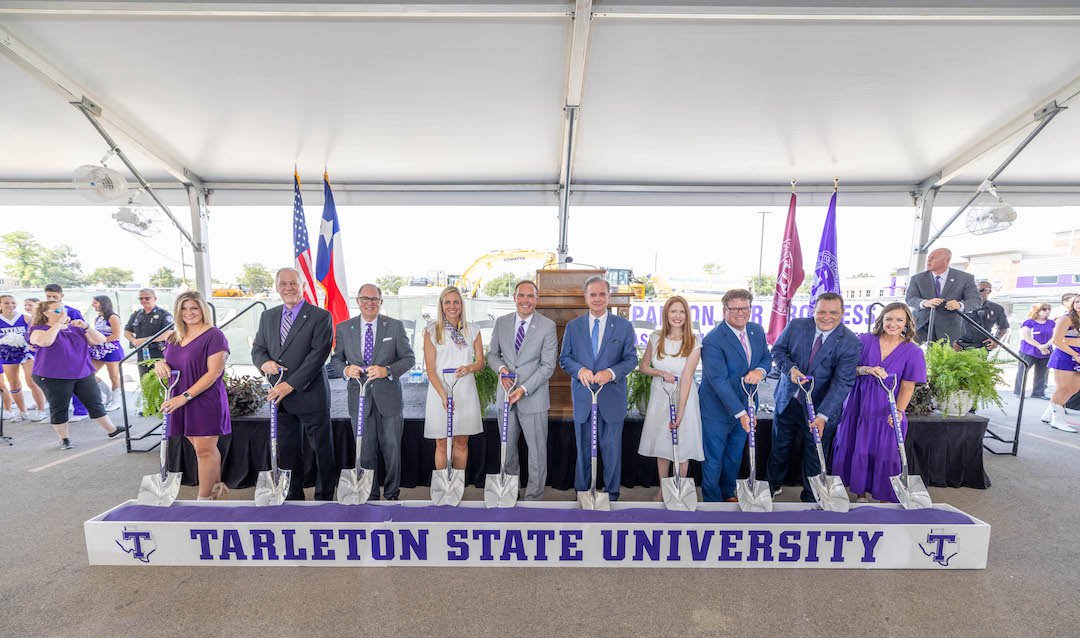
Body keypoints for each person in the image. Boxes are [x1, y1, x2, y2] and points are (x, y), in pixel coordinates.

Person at [768, 292, 862, 502]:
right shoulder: (796, 326)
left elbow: (842, 382)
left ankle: (811, 497)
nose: (826, 317)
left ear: (842, 313)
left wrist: (823, 415)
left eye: (833, 312)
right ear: (814, 311)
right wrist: (789, 369)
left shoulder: (850, 342)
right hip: (789, 400)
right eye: (821, 312)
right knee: (779, 447)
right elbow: (778, 350)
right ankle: (772, 486)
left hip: (820, 409)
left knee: (814, 454)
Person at [251, 268, 336, 501]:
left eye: (293, 283)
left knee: (322, 451)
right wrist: (264, 362)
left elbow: (318, 355)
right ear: (277, 287)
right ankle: (293, 496)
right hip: (281, 400)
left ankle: (325, 497)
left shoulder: (320, 316)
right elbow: (258, 348)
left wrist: (289, 385)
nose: (288, 288)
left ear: (303, 286)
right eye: (283, 284)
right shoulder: (268, 316)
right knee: (288, 451)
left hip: (310, 395)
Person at [831, 302, 927, 502]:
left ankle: (884, 497)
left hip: (887, 409)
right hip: (858, 405)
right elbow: (847, 369)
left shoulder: (913, 351)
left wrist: (898, 412)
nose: (893, 324)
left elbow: (908, 386)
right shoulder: (864, 340)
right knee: (859, 447)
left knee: (886, 453)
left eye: (899, 320)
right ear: (881, 319)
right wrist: (865, 369)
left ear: (907, 323)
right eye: (889, 318)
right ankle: (859, 494)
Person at [331, 284, 415, 501]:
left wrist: (387, 370)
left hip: (389, 398)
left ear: (381, 302)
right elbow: (336, 359)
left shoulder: (394, 327)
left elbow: (409, 359)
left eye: (374, 299)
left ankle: (391, 494)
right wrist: (345, 369)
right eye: (365, 298)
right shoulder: (343, 328)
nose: (370, 302)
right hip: (359, 398)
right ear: (358, 301)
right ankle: (370, 494)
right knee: (365, 451)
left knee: (392, 450)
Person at [559, 275, 638, 502]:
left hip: (611, 398)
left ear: (609, 296)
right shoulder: (574, 327)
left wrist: (611, 373)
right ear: (585, 297)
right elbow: (565, 358)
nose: (597, 298)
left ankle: (611, 494)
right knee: (583, 449)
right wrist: (580, 370)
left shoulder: (623, 326)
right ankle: (583, 492)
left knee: (611, 449)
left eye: (602, 294)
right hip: (584, 397)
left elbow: (631, 359)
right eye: (592, 294)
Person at [155, 291, 230, 500]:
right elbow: (170, 363)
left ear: (202, 309)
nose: (189, 313)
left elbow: (214, 373)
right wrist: (159, 364)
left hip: (204, 398)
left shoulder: (214, 335)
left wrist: (183, 397)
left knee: (204, 450)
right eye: (184, 308)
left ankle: (203, 499)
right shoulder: (173, 336)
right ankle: (215, 491)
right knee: (200, 448)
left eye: (194, 308)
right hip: (180, 398)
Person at [696, 289, 770, 502]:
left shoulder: (756, 330)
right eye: (735, 308)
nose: (740, 312)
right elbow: (718, 381)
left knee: (734, 456)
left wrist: (760, 371)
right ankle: (712, 500)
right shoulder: (713, 339)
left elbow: (766, 357)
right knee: (713, 459)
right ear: (724, 310)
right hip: (716, 410)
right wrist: (740, 413)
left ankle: (728, 493)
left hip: (748, 406)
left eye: (745, 307)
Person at [487, 280, 557, 501]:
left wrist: (524, 389)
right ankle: (510, 491)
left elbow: (548, 366)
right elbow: (492, 355)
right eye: (521, 295)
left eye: (530, 296)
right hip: (505, 397)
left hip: (533, 397)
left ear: (537, 299)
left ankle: (534, 497)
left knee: (536, 452)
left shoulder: (547, 326)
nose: (525, 300)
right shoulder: (501, 323)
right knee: (507, 449)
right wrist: (501, 370)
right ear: (514, 297)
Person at [27, 300, 127, 449]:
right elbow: (45, 342)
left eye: (63, 310)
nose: (62, 313)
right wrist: (57, 325)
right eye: (57, 311)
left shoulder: (74, 328)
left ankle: (112, 430)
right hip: (53, 375)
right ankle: (64, 438)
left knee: (94, 402)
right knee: (59, 406)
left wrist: (86, 327)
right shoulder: (38, 329)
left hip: (82, 372)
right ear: (45, 313)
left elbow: (100, 340)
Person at [639, 295, 707, 500]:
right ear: (666, 314)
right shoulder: (655, 337)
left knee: (683, 443)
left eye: (682, 312)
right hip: (660, 394)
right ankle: (663, 488)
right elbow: (644, 366)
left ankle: (679, 488)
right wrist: (661, 374)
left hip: (684, 395)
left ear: (687, 315)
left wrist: (681, 410)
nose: (677, 316)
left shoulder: (694, 341)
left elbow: (687, 377)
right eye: (673, 311)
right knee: (663, 443)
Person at [424, 286, 484, 484]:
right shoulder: (432, 331)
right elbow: (430, 369)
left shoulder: (473, 330)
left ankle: (457, 486)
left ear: (462, 305)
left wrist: (469, 368)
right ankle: (443, 485)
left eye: (456, 302)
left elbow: (480, 363)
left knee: (461, 441)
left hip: (464, 390)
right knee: (441, 442)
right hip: (439, 390)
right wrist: (443, 395)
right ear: (441, 305)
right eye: (447, 302)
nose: (452, 306)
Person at [905, 247, 982, 345]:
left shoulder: (965, 278)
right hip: (920, 328)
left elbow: (975, 300)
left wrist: (960, 305)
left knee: (944, 359)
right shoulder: (917, 278)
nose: (929, 260)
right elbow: (910, 298)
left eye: (933, 258)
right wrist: (925, 303)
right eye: (929, 257)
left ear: (946, 260)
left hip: (950, 330)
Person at [44, 284, 90, 421]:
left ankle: (80, 411)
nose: (51, 299)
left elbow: (82, 332)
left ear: (61, 296)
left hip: (72, 352)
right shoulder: (43, 312)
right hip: (52, 354)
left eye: (55, 296)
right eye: (48, 296)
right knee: (56, 384)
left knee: (75, 381)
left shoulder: (72, 311)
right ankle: (58, 412)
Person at [0, 294, 46, 421]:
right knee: (13, 384)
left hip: (27, 353)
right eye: (6, 303)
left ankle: (41, 410)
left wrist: (32, 343)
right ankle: (22, 411)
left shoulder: (26, 318)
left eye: (13, 303)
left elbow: (37, 332)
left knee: (32, 381)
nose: (10, 305)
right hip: (7, 355)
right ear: (0, 305)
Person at [1044, 293, 1080, 433]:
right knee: (1063, 387)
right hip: (1065, 355)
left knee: (1074, 388)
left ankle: (1049, 413)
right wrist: (1075, 354)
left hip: (1077, 355)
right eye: (1076, 301)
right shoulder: (1066, 318)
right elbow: (1057, 340)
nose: (1078, 304)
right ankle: (1057, 420)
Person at [124, 288, 174, 376]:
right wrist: (133, 340)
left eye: (147, 298)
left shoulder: (164, 315)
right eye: (141, 298)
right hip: (142, 353)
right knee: (144, 379)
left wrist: (145, 340)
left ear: (155, 298)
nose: (143, 300)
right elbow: (127, 331)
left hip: (159, 353)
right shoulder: (136, 315)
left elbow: (168, 333)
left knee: (160, 380)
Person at [89, 295, 124, 411]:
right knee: (88, 374)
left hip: (111, 349)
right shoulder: (98, 318)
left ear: (103, 303)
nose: (93, 305)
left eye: (95, 303)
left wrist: (100, 341)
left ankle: (116, 401)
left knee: (113, 376)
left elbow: (116, 335)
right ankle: (107, 393)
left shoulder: (113, 317)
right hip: (98, 350)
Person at [955, 281, 1009, 351]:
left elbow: (1003, 327)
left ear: (989, 291)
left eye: (981, 290)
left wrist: (996, 340)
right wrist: (951, 341)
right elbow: (947, 323)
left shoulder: (997, 309)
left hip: (982, 347)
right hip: (959, 345)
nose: (978, 292)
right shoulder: (961, 305)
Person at [1015, 303, 1054, 400]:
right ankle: (1019, 392)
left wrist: (1046, 346)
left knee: (1042, 372)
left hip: (1046, 351)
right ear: (1037, 310)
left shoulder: (1051, 323)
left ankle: (1038, 392)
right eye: (1044, 309)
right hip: (1029, 350)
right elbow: (1027, 337)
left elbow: (1055, 336)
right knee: (1023, 370)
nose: (1047, 311)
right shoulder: (1029, 322)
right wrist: (1040, 347)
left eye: (1049, 309)